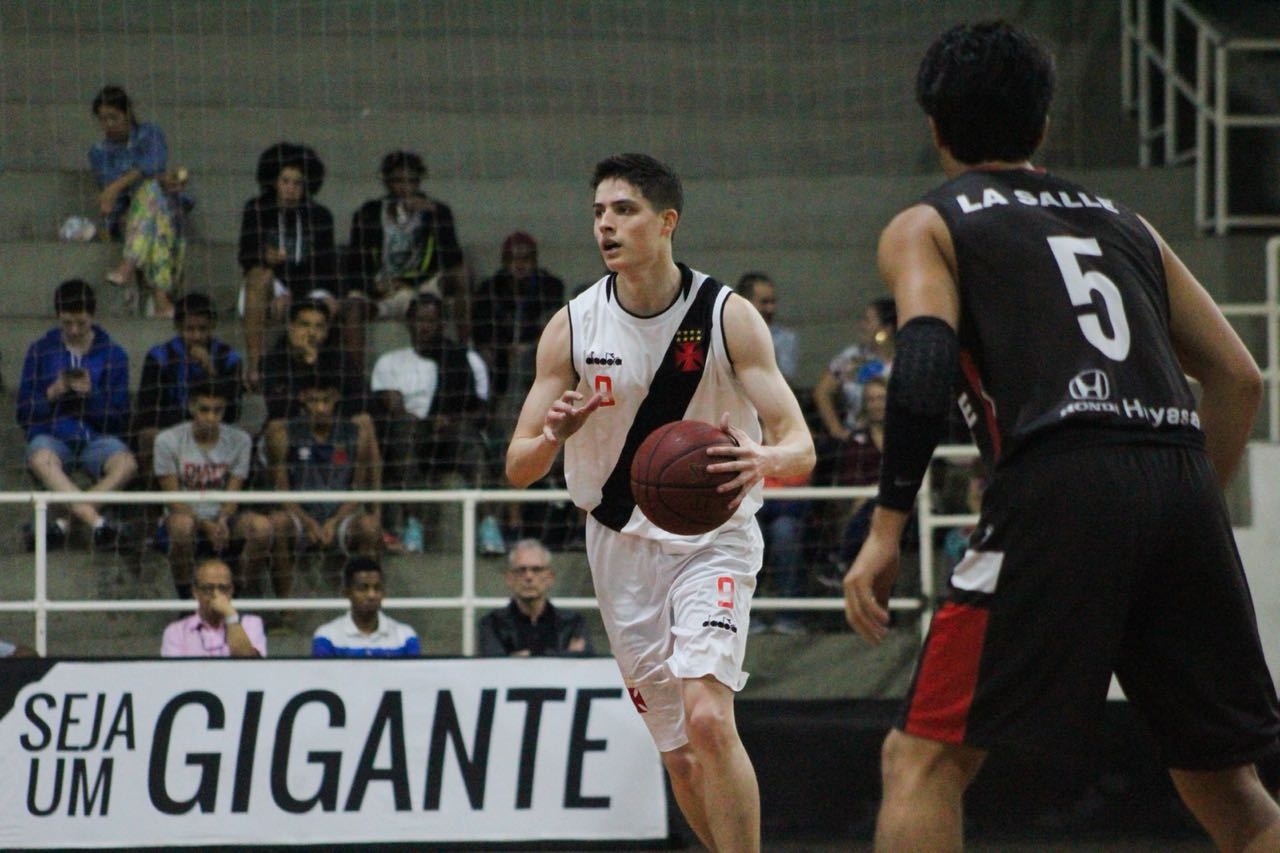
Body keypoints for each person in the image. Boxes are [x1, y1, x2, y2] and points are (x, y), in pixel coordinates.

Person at [842, 21, 1280, 852]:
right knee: (1234, 791)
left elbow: (925, 363)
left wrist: (886, 527)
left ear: (934, 126)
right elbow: (1240, 378)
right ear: (1042, 124)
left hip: (1061, 479)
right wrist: (1183, 508)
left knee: (922, 761)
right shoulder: (1128, 222)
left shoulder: (928, 223)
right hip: (1180, 479)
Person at [506, 153, 815, 853]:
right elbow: (519, 467)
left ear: (667, 220)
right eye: (598, 212)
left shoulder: (728, 316)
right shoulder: (573, 326)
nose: (605, 225)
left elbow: (800, 446)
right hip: (619, 543)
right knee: (679, 756)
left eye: (624, 210)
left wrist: (763, 459)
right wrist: (554, 434)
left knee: (709, 718)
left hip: (713, 536)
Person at [17, 279, 136, 550]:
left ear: (92, 316)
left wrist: (92, 396)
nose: (73, 330)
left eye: (81, 323)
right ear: (58, 317)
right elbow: (23, 414)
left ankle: (63, 524)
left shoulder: (113, 354)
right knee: (39, 458)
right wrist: (53, 392)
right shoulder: (40, 351)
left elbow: (119, 419)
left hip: (97, 438)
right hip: (52, 437)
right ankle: (97, 523)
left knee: (127, 464)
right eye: (67, 323)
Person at [369, 293, 490, 553]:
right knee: (404, 431)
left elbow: (481, 412)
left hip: (452, 434)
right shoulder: (390, 362)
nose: (426, 327)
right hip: (412, 436)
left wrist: (450, 421)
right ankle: (413, 525)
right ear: (408, 322)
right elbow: (392, 408)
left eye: (432, 321)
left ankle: (489, 526)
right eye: (420, 320)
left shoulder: (466, 359)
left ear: (442, 324)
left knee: (470, 441)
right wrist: (425, 422)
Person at [153, 379, 274, 600]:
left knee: (262, 527)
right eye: (204, 410)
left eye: (217, 411)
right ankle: (186, 600)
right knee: (182, 526)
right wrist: (204, 524)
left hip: (224, 518)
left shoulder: (240, 440)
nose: (211, 417)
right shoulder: (167, 440)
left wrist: (223, 520)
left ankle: (238, 595)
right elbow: (173, 500)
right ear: (192, 407)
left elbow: (233, 494)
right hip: (184, 516)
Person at [265, 374, 384, 598]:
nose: (320, 408)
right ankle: (285, 609)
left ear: (336, 398)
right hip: (299, 517)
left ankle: (362, 604)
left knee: (370, 527)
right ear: (302, 398)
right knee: (277, 523)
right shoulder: (283, 433)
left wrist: (335, 520)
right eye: (313, 400)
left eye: (326, 400)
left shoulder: (354, 433)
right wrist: (307, 521)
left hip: (340, 518)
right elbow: (280, 493)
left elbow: (358, 490)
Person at [238, 142, 338, 388]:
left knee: (330, 303)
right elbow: (245, 256)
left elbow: (325, 266)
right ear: (274, 182)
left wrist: (296, 297)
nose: (291, 189)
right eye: (285, 181)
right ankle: (255, 367)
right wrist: (264, 257)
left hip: (309, 285)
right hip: (273, 286)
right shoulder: (257, 209)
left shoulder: (321, 216)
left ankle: (319, 370)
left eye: (297, 183)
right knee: (258, 276)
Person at [89, 85, 190, 317]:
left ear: (127, 113)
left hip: (163, 206)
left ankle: (128, 264)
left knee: (152, 193)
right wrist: (150, 181)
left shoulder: (149, 133)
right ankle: (161, 300)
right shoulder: (99, 152)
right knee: (154, 205)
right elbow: (115, 193)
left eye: (113, 117)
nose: (108, 125)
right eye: (102, 119)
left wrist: (117, 186)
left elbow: (154, 164)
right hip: (129, 213)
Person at [343, 150, 467, 320]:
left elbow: (453, 259)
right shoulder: (368, 213)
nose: (404, 187)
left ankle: (466, 339)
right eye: (398, 181)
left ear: (419, 182)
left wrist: (436, 219)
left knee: (461, 275)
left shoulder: (436, 212)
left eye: (411, 181)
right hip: (382, 285)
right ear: (387, 182)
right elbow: (355, 263)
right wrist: (373, 286)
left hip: (422, 284)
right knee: (353, 308)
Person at [133, 292, 243, 480]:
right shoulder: (159, 356)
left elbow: (233, 412)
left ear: (213, 326)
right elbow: (147, 411)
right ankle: (154, 495)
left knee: (243, 438)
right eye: (190, 329)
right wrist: (187, 425)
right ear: (177, 327)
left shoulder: (228, 358)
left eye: (203, 329)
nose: (196, 336)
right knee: (147, 435)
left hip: (213, 428)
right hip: (171, 427)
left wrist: (211, 370)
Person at [260, 297, 370, 425]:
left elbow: (360, 398)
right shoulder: (272, 360)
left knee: (363, 420)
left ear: (326, 331)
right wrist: (309, 365)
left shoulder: (337, 357)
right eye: (304, 325)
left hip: (333, 425)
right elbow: (278, 408)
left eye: (319, 327)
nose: (312, 333)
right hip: (293, 428)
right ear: (291, 327)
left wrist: (326, 411)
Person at [477, 539, 592, 657]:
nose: (529, 576)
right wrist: (562, 655)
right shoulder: (492, 624)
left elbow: (584, 663)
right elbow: (495, 664)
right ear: (509, 578)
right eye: (521, 570)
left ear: (550, 578)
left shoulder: (573, 623)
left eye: (536, 570)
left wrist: (523, 658)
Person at [812, 296, 896, 443]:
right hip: (858, 441)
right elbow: (822, 392)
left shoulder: (905, 359)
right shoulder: (852, 357)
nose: (862, 325)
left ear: (886, 329)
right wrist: (836, 429)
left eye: (868, 321)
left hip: (896, 439)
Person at [311, 557, 420, 657]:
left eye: (377, 588)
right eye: (363, 588)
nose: (371, 595)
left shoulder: (405, 637)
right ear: (347, 592)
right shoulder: (327, 637)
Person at [161, 558, 266, 658]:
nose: (216, 595)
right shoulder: (176, 632)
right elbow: (173, 670)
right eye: (208, 588)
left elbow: (249, 665)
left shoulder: (251, 624)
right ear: (195, 592)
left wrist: (230, 616)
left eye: (223, 588)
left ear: (231, 591)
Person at [735, 272, 799, 385]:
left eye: (773, 302)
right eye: (764, 302)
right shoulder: (722, 334)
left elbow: (784, 380)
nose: (770, 309)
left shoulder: (785, 338)